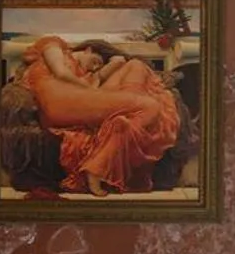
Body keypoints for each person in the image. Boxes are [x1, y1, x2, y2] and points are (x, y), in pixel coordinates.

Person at [18, 36, 181, 196]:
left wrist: (114, 65)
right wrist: (92, 86)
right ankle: (97, 167)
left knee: (135, 65)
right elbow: (60, 73)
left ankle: (121, 125)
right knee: (150, 106)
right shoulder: (53, 44)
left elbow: (95, 86)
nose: (95, 68)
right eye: (95, 61)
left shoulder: (84, 74)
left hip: (76, 101)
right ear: (88, 50)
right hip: (59, 101)